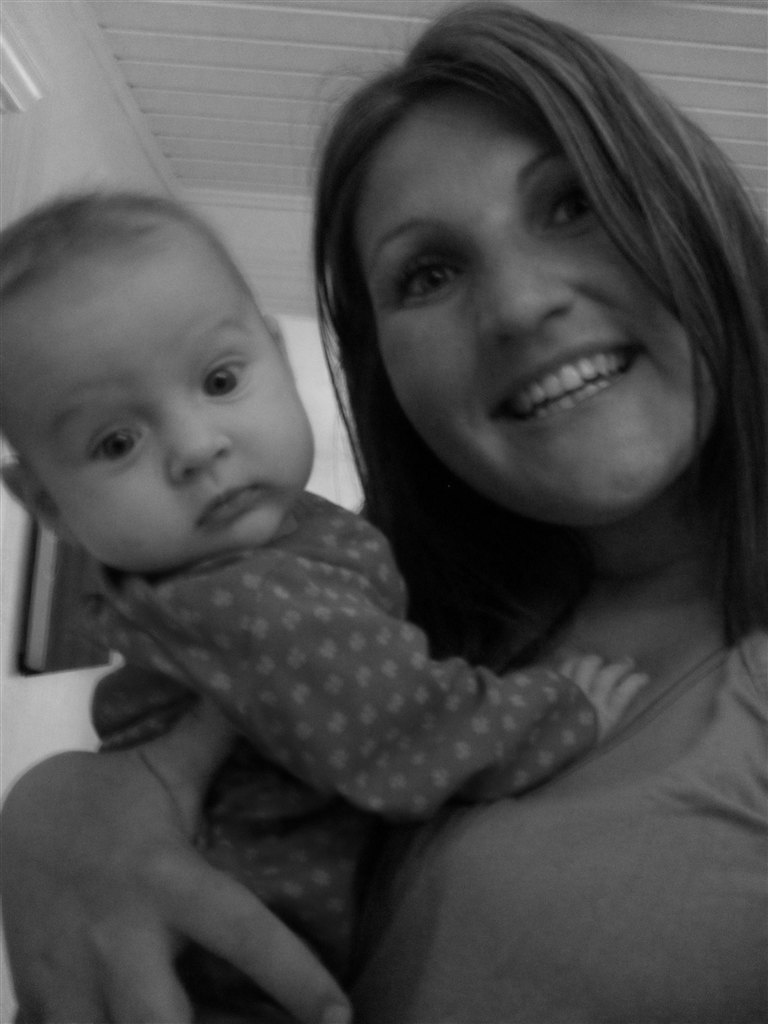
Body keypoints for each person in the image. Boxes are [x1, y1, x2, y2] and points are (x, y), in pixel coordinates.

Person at [1, 1, 766, 1021]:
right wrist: (54, 815)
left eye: (574, 203)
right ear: (382, 371)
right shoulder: (394, 599)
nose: (521, 305)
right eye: (429, 273)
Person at [0, 189, 646, 1021]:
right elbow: (404, 730)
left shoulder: (282, 541)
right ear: (46, 504)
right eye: (116, 442)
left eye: (220, 380)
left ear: (276, 353)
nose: (198, 448)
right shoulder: (251, 599)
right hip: (225, 985)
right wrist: (563, 711)